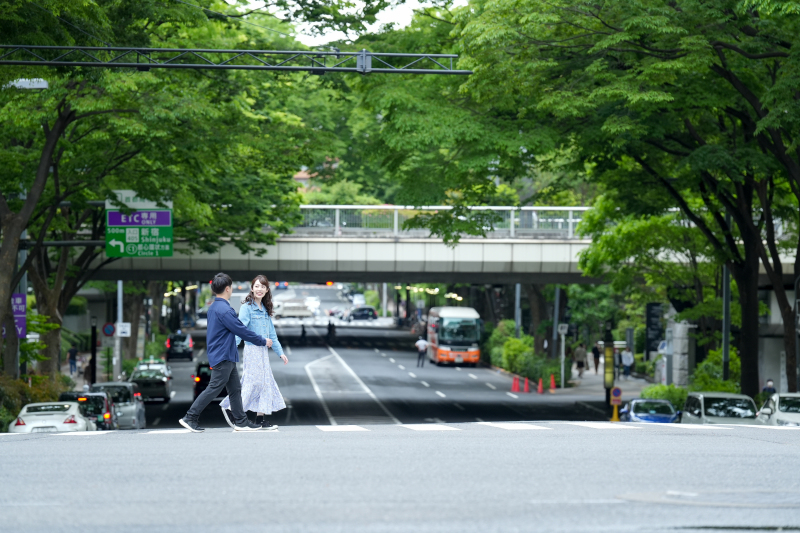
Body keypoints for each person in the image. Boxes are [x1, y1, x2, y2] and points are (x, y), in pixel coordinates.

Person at [180, 272, 268, 433]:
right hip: (223, 355)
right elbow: (241, 330)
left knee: (235, 389)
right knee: (214, 388)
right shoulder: (225, 310)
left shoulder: (214, 307)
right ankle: (190, 417)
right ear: (227, 288)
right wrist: (262, 340)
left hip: (225, 354)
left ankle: (241, 421)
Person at [220, 274, 288, 431]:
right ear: (252, 288)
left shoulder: (265, 310)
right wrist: (232, 348)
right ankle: (235, 413)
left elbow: (272, 334)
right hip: (252, 350)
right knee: (252, 383)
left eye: (262, 287)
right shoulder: (246, 308)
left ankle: (261, 419)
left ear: (266, 290)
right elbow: (239, 330)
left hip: (263, 351)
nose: (259, 289)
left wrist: (280, 353)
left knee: (265, 384)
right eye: (257, 286)